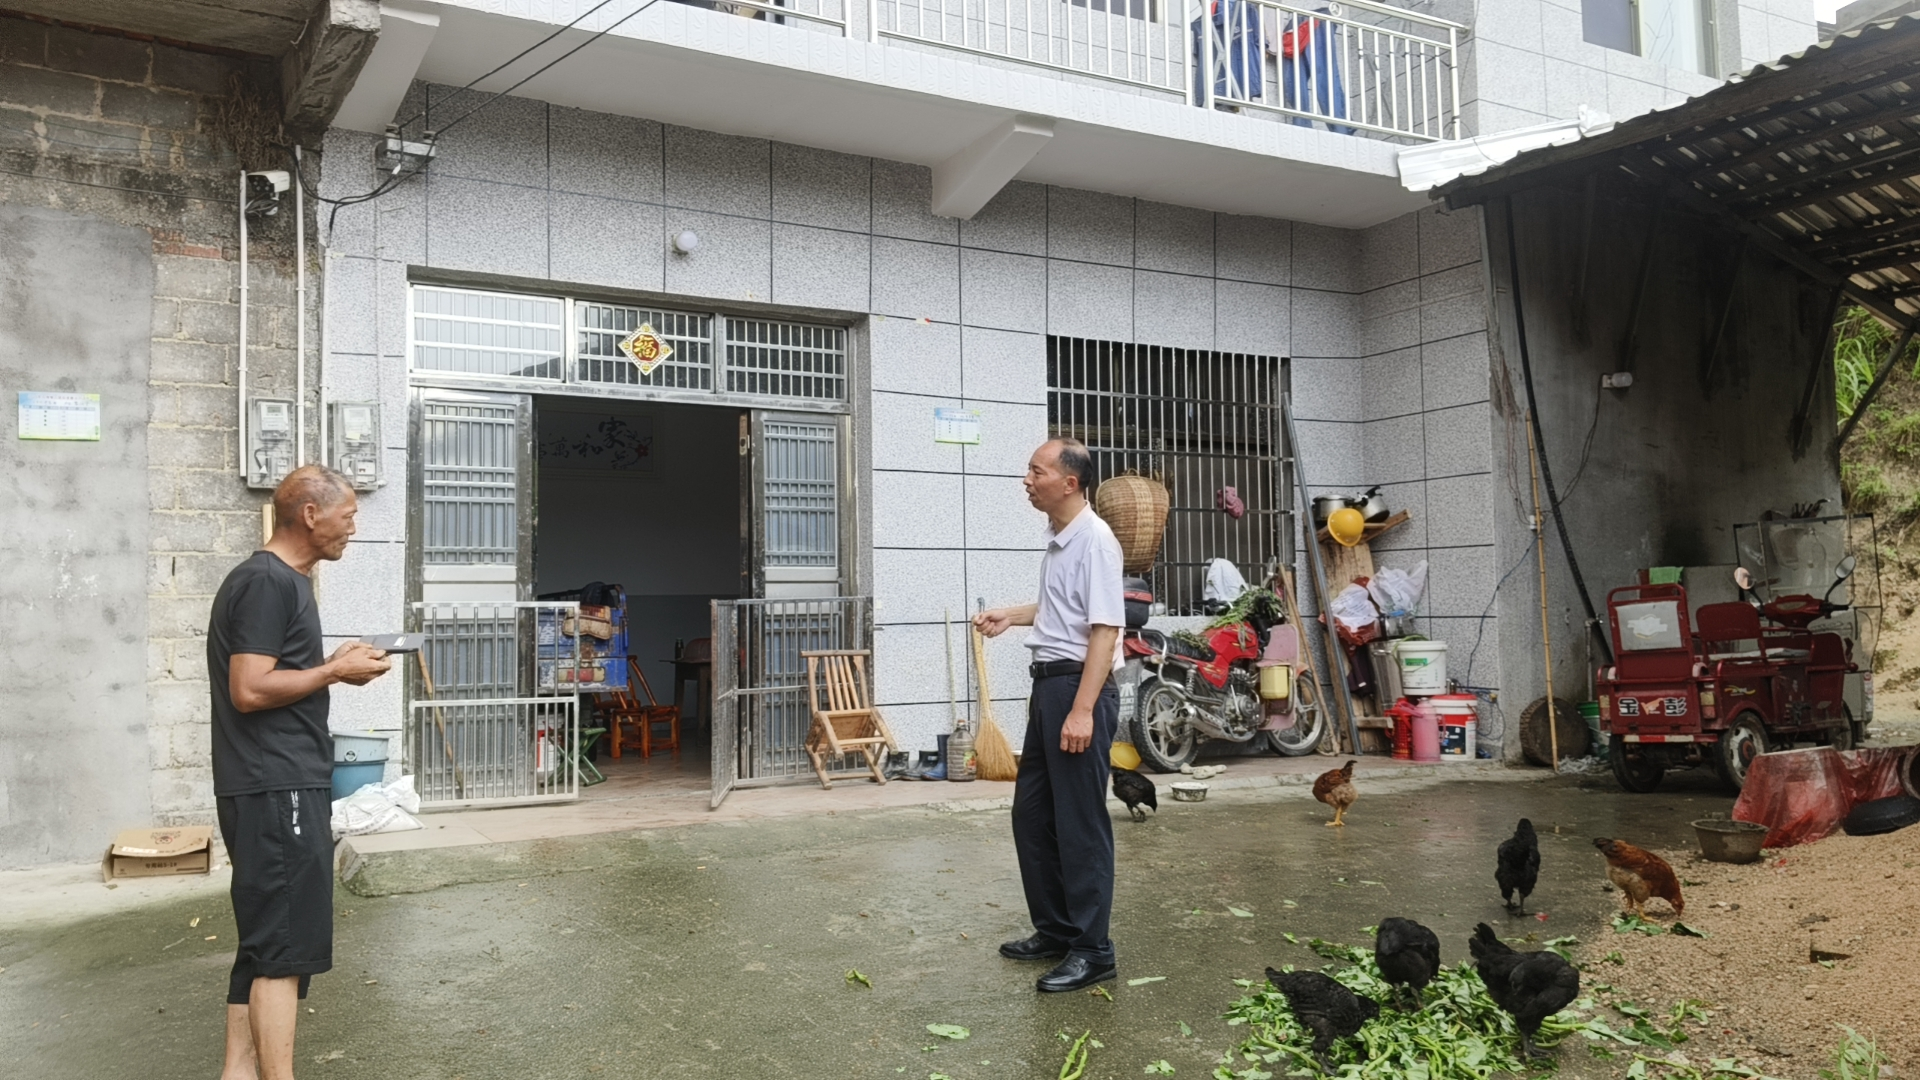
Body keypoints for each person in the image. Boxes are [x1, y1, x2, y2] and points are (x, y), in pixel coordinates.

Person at [207, 465, 392, 1080]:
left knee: (266, 941)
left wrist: (330, 663)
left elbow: (275, 675)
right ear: (311, 514)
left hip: (272, 780)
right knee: (284, 948)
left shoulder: (280, 581)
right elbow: (249, 689)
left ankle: (238, 1073)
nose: (353, 528)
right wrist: (334, 672)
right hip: (275, 782)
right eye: (349, 515)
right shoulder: (268, 582)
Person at [974, 438, 1126, 993]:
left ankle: (1093, 950)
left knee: (1079, 823)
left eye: (1036, 472)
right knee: (1033, 815)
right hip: (1050, 688)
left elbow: (1105, 630)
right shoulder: (1061, 540)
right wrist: (1011, 616)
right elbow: (1064, 609)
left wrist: (1082, 711)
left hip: (1077, 690)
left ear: (1069, 482)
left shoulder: (1096, 541)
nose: (1027, 480)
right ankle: (1058, 930)